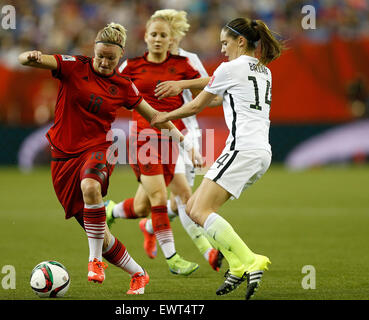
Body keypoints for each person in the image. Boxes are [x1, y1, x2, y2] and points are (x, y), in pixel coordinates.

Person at [18, 22, 197, 295]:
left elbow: (156, 118)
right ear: (94, 50)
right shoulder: (74, 65)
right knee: (101, 235)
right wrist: (29, 57)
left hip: (99, 148)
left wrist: (185, 144)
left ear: (120, 56)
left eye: (111, 58)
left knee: (90, 187)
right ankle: (138, 273)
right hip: (63, 156)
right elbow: (35, 60)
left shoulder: (124, 85)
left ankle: (94, 261)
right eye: (100, 55)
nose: (104, 62)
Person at [151, 18, 283, 299]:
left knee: (198, 211)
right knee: (194, 208)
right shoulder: (264, 70)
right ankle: (236, 265)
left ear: (241, 41)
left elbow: (198, 103)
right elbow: (216, 97)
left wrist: (165, 116)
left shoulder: (230, 68)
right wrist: (184, 87)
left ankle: (249, 259)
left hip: (241, 149)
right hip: (260, 152)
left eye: (225, 43)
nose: (222, 49)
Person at [106, 9, 223, 272]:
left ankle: (112, 211)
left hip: (176, 138)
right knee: (168, 196)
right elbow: (110, 92)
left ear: (172, 39)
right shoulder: (132, 66)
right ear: (145, 36)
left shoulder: (185, 64)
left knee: (142, 205)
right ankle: (184, 257)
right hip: (145, 140)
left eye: (164, 35)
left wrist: (227, 93)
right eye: (154, 34)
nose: (159, 39)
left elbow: (209, 96)